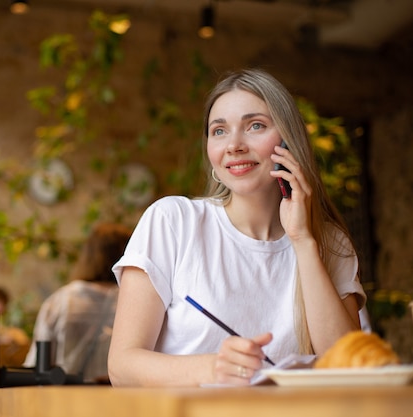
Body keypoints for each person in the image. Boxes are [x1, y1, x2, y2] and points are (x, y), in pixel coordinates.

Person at [107, 68, 366, 387]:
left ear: (289, 141)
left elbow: (350, 370)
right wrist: (213, 369)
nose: (234, 145)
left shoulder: (328, 242)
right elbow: (122, 367)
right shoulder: (173, 222)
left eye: (255, 125)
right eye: (219, 131)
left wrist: (302, 240)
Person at [23, 222, 132, 383]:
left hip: (67, 400)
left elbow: (37, 366)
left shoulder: (61, 301)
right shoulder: (133, 303)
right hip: (120, 401)